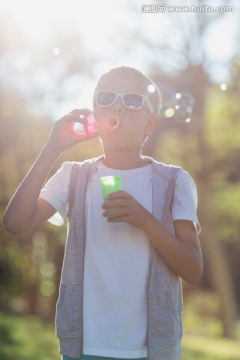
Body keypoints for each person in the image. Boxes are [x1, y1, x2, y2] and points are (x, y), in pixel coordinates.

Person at [3, 66, 203, 360]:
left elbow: (193, 270)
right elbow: (15, 222)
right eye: (106, 98)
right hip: (84, 348)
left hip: (153, 350)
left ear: (149, 124)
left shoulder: (174, 182)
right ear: (95, 116)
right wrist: (52, 148)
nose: (117, 106)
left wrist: (146, 221)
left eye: (132, 100)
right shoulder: (74, 176)